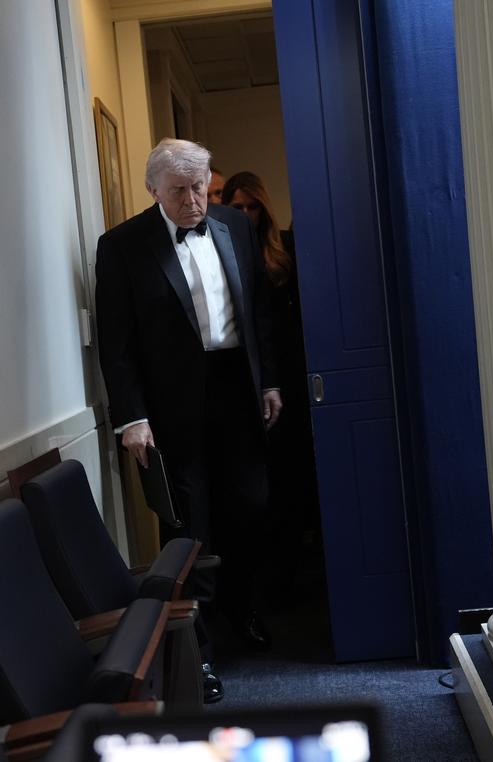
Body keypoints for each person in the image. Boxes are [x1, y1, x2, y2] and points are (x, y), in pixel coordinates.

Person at [94, 140, 282, 693]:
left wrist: (269, 380)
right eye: (179, 190)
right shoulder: (122, 245)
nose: (194, 199)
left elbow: (258, 315)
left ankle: (242, 607)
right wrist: (132, 418)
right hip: (172, 406)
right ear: (153, 189)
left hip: (236, 389)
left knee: (251, 505)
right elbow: (117, 344)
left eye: (200, 186)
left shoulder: (233, 226)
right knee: (188, 528)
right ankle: (195, 651)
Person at [221, 172, 319, 595]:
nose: (245, 214)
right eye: (237, 207)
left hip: (292, 372)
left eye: (252, 205)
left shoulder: (285, 249)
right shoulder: (222, 250)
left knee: (297, 473)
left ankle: (298, 569)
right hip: (247, 378)